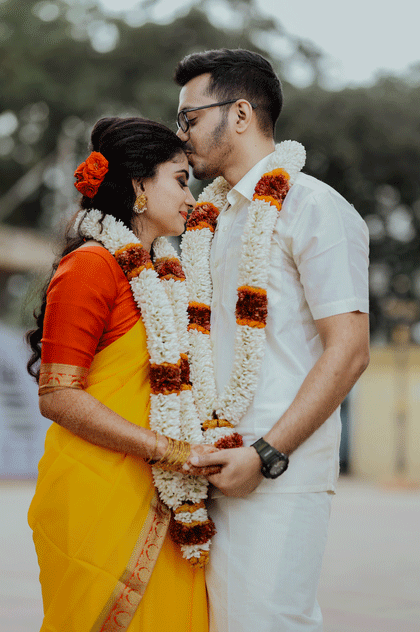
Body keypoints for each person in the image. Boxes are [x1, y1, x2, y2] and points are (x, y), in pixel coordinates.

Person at [174, 49, 370, 632]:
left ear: (239, 114)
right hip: (207, 465)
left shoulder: (314, 207)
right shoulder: (206, 220)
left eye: (188, 118)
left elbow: (350, 349)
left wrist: (265, 455)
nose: (180, 133)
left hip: (276, 472)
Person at [26, 116, 220, 632]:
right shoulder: (92, 266)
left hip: (165, 495)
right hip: (100, 495)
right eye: (180, 179)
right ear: (139, 185)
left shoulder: (162, 274)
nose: (191, 197)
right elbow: (57, 395)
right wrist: (171, 451)